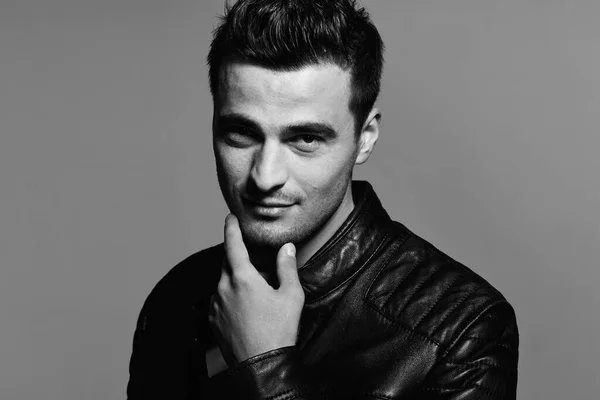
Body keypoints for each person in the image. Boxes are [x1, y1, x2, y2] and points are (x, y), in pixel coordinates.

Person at [127, 0, 519, 399]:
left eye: (305, 139)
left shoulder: (461, 330)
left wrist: (264, 367)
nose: (265, 176)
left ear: (364, 138)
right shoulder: (177, 297)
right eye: (241, 134)